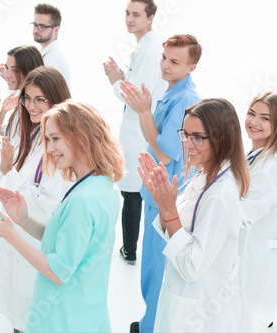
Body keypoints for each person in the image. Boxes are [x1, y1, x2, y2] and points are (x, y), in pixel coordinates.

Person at [0, 100, 124, 332]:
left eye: (55, 139)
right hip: (88, 310)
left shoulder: (82, 200)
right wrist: (24, 221)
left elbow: (58, 271)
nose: (49, 149)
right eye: (47, 140)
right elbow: (67, 239)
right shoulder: (103, 185)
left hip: (63, 318)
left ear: (80, 136)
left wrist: (10, 234)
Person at [0, 66, 71, 332]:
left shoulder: (63, 144)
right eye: (27, 98)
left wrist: (5, 170)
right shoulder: (34, 132)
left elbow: (47, 204)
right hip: (18, 236)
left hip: (36, 238)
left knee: (33, 318)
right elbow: (6, 184)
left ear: (56, 99)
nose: (31, 106)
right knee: (18, 318)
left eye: (40, 99)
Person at [138, 98, 249, 331]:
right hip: (182, 299)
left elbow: (191, 266)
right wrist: (161, 199)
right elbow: (179, 227)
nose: (187, 144)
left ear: (221, 138)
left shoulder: (220, 195)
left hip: (199, 312)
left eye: (197, 137)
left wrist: (168, 209)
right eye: (185, 134)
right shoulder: (204, 175)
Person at [121, 34, 202, 333]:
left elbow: (165, 153)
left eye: (175, 61)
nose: (165, 65)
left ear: (192, 67)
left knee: (158, 269)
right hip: (156, 193)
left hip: (167, 198)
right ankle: (148, 321)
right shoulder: (172, 93)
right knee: (151, 267)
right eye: (165, 58)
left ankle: (151, 326)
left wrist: (144, 112)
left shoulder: (185, 100)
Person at [103, 0, 167, 266]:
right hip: (139, 127)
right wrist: (122, 76)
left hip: (140, 128)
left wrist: (115, 80)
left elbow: (135, 95)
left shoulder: (149, 50)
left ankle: (130, 249)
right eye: (127, 13)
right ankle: (132, 248)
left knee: (132, 193)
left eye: (136, 14)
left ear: (150, 17)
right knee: (134, 190)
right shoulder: (145, 47)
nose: (129, 19)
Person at [239, 92, 277, 331]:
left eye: (265, 118)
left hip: (251, 254)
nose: (254, 122)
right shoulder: (253, 155)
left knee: (246, 319)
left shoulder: (268, 168)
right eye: (252, 113)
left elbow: (243, 213)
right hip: (243, 251)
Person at [32, 4, 70, 86]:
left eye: (42, 26)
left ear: (56, 29)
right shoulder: (44, 55)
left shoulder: (51, 61)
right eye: (35, 25)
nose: (35, 30)